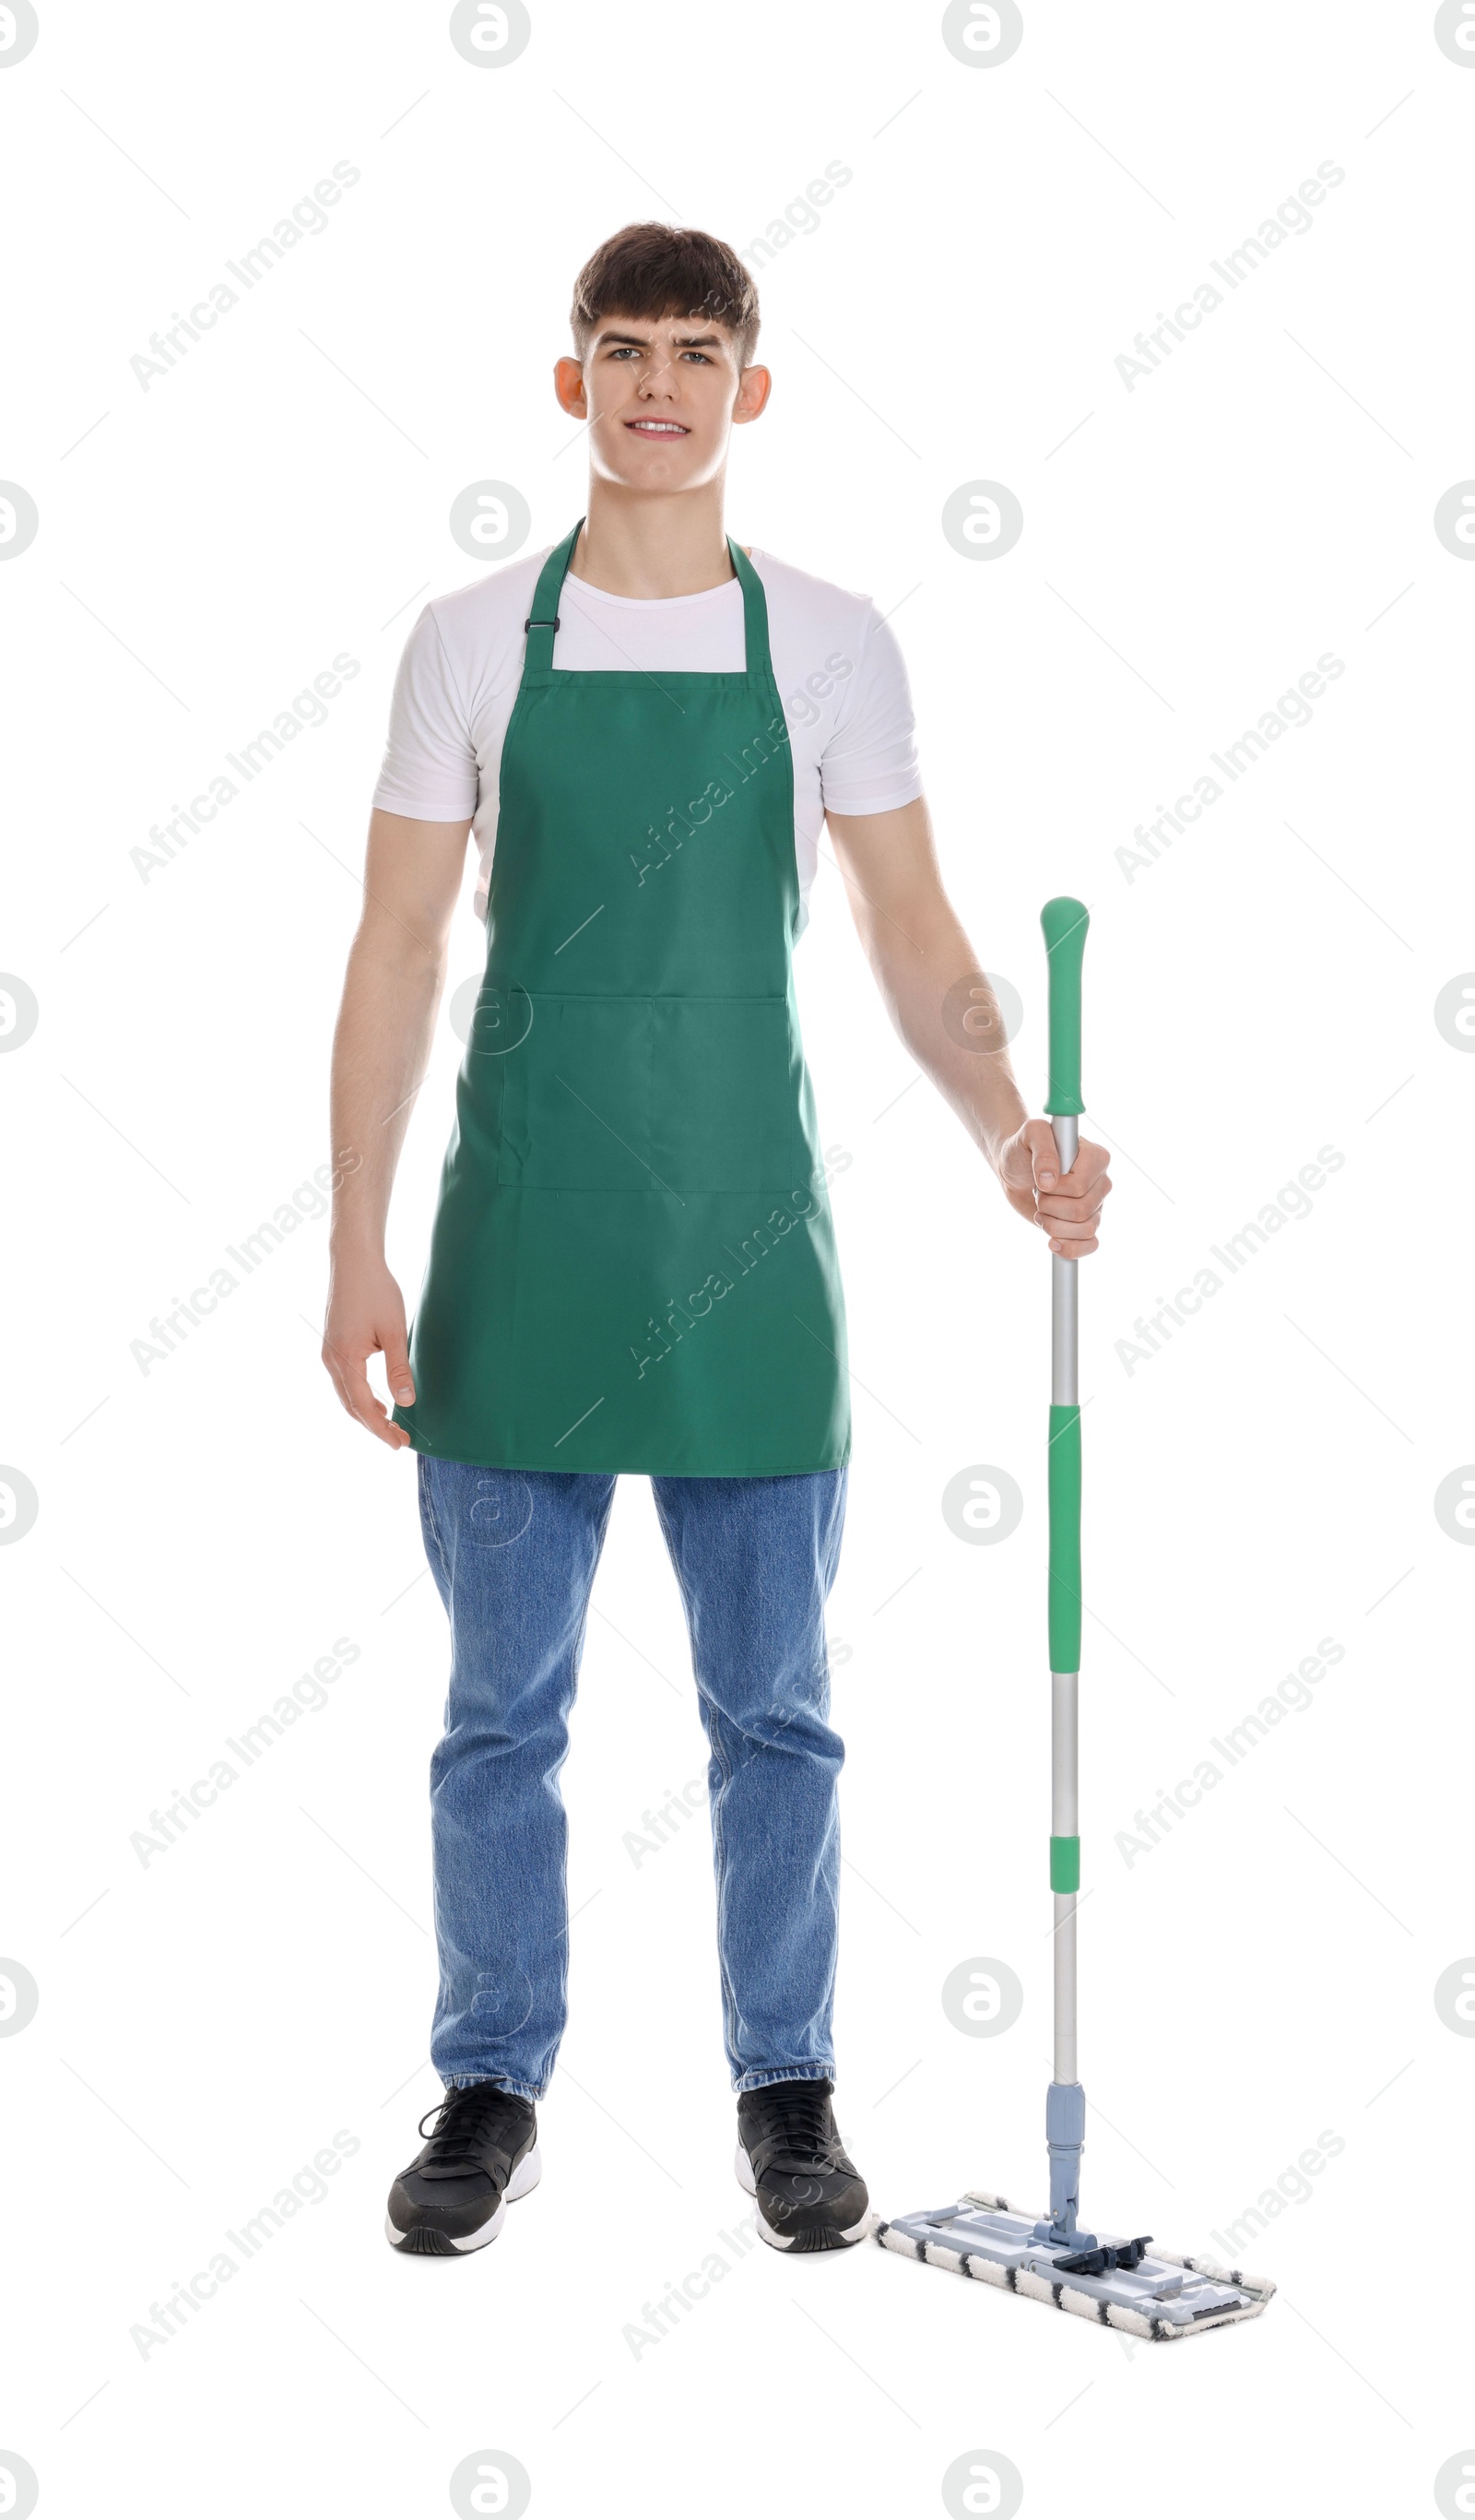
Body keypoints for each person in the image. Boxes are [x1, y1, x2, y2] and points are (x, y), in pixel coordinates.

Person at [321, 223, 1111, 2260]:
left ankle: (786, 2084)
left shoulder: (831, 639)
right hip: (513, 1254)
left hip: (750, 1255)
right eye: (618, 350)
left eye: (692, 352)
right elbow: (399, 948)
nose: (654, 384)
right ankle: (488, 2077)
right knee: (499, 1715)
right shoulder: (471, 639)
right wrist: (354, 1244)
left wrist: (1008, 1131)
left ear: (746, 389)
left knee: (777, 1712)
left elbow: (912, 931)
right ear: (565, 382)